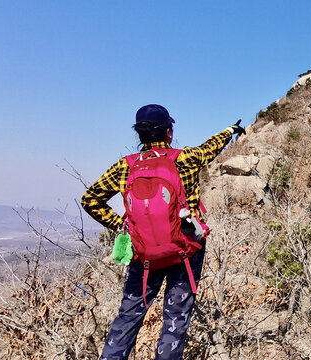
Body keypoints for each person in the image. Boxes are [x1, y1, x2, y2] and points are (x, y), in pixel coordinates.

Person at [81, 104, 245, 360]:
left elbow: (90, 199)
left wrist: (120, 225)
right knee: (175, 319)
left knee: (129, 315)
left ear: (140, 135)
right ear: (169, 133)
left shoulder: (125, 166)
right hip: (186, 249)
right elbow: (211, 147)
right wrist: (230, 130)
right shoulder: (186, 158)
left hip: (142, 253)